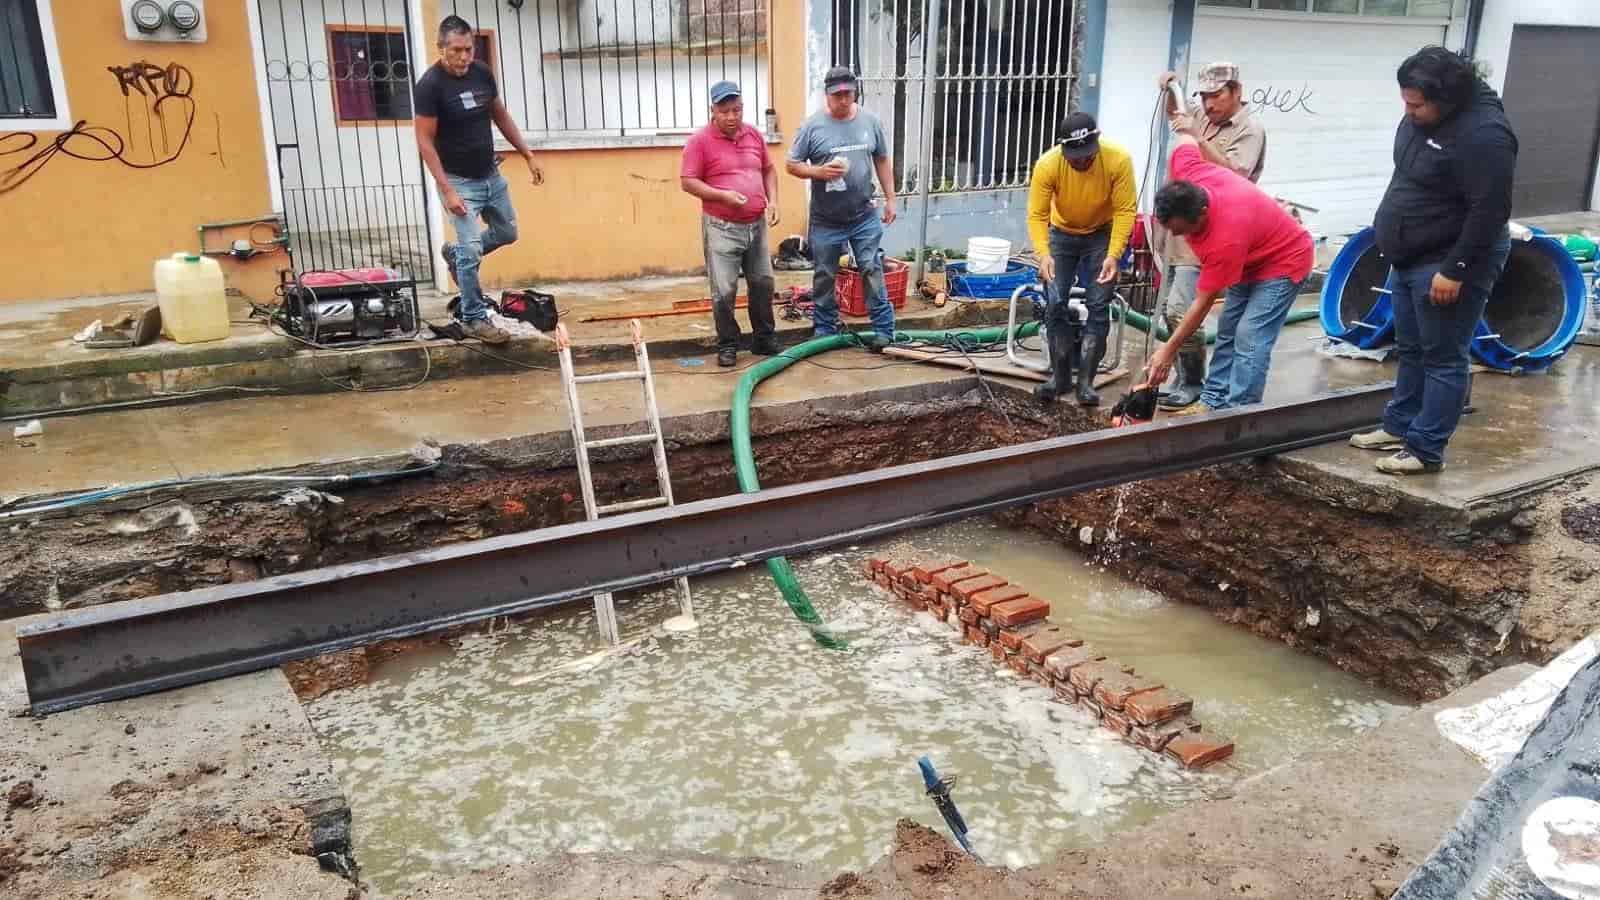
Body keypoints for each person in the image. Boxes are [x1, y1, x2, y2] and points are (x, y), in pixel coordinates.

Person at [1349, 47, 1516, 476]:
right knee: (1411, 347)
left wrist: (1455, 269)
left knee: (1443, 355)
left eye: (1416, 104)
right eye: (1406, 101)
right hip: (1410, 256)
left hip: (1449, 260)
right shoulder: (1429, 118)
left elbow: (1490, 210)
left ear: (1448, 98)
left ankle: (1425, 448)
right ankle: (1400, 425)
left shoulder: (1485, 136)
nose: (1408, 110)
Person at [1143, 135, 1313, 411]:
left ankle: (1238, 416)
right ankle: (1212, 401)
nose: (1176, 235)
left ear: (1202, 214)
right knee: (1227, 329)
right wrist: (1179, 109)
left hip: (1285, 259)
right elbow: (1186, 138)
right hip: (1250, 256)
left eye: (1181, 229)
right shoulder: (1188, 172)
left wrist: (1167, 350)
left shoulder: (1225, 237)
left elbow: (1201, 305)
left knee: (1249, 335)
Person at [414, 15, 543, 345]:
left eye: (468, 49)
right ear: (440, 48)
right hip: (460, 183)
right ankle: (473, 317)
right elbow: (425, 141)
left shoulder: (482, 73)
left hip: (491, 174)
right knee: (471, 249)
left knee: (507, 232)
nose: (463, 57)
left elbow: (500, 115)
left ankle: (456, 257)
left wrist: (527, 154)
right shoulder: (430, 86)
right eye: (455, 50)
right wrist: (448, 191)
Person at [1152, 62, 1268, 410]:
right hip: (1181, 230)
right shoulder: (1200, 117)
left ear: (1236, 91)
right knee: (1173, 309)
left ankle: (1192, 381)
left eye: (1216, 96)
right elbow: (1177, 115)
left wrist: (1198, 138)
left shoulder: (1249, 130)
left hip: (1212, 229)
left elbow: (1237, 175)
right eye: (1203, 96)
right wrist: (1170, 88)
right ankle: (1183, 375)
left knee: (1181, 308)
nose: (1208, 104)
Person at [1025, 111, 1137, 406]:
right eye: (1075, 157)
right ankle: (1060, 377)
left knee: (1098, 303)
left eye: (1087, 155)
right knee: (1056, 300)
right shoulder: (1048, 165)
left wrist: (1114, 255)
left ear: (1096, 143)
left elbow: (1125, 210)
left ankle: (1086, 383)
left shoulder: (1118, 160)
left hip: (1102, 232)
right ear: (1064, 150)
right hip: (1061, 233)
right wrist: (1043, 254)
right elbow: (1037, 214)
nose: (1081, 162)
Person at [786, 66, 898, 347]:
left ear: (854, 92)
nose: (843, 100)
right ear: (827, 96)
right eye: (837, 96)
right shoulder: (812, 127)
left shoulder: (870, 122)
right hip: (826, 219)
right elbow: (792, 165)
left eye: (848, 94)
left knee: (871, 268)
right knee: (824, 273)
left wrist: (891, 198)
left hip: (863, 214)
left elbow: (882, 159)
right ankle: (825, 328)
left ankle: (884, 328)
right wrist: (818, 173)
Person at [680, 80, 781, 367]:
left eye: (736, 110)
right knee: (724, 289)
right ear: (713, 110)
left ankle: (764, 338)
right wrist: (723, 196)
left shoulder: (753, 135)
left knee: (763, 283)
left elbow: (769, 169)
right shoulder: (699, 141)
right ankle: (727, 344)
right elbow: (687, 182)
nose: (731, 116)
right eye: (724, 111)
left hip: (756, 224)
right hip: (721, 226)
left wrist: (773, 201)